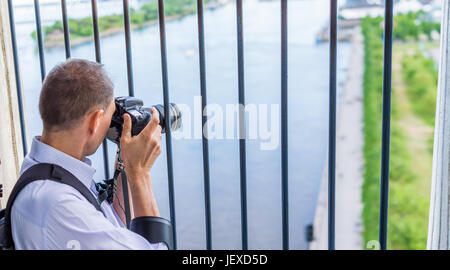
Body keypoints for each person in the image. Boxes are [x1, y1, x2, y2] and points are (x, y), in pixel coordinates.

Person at [11, 59, 167, 250]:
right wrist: (140, 173)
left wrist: (126, 159)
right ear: (95, 121)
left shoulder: (45, 167)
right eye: (111, 116)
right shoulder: (61, 205)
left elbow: (116, 227)